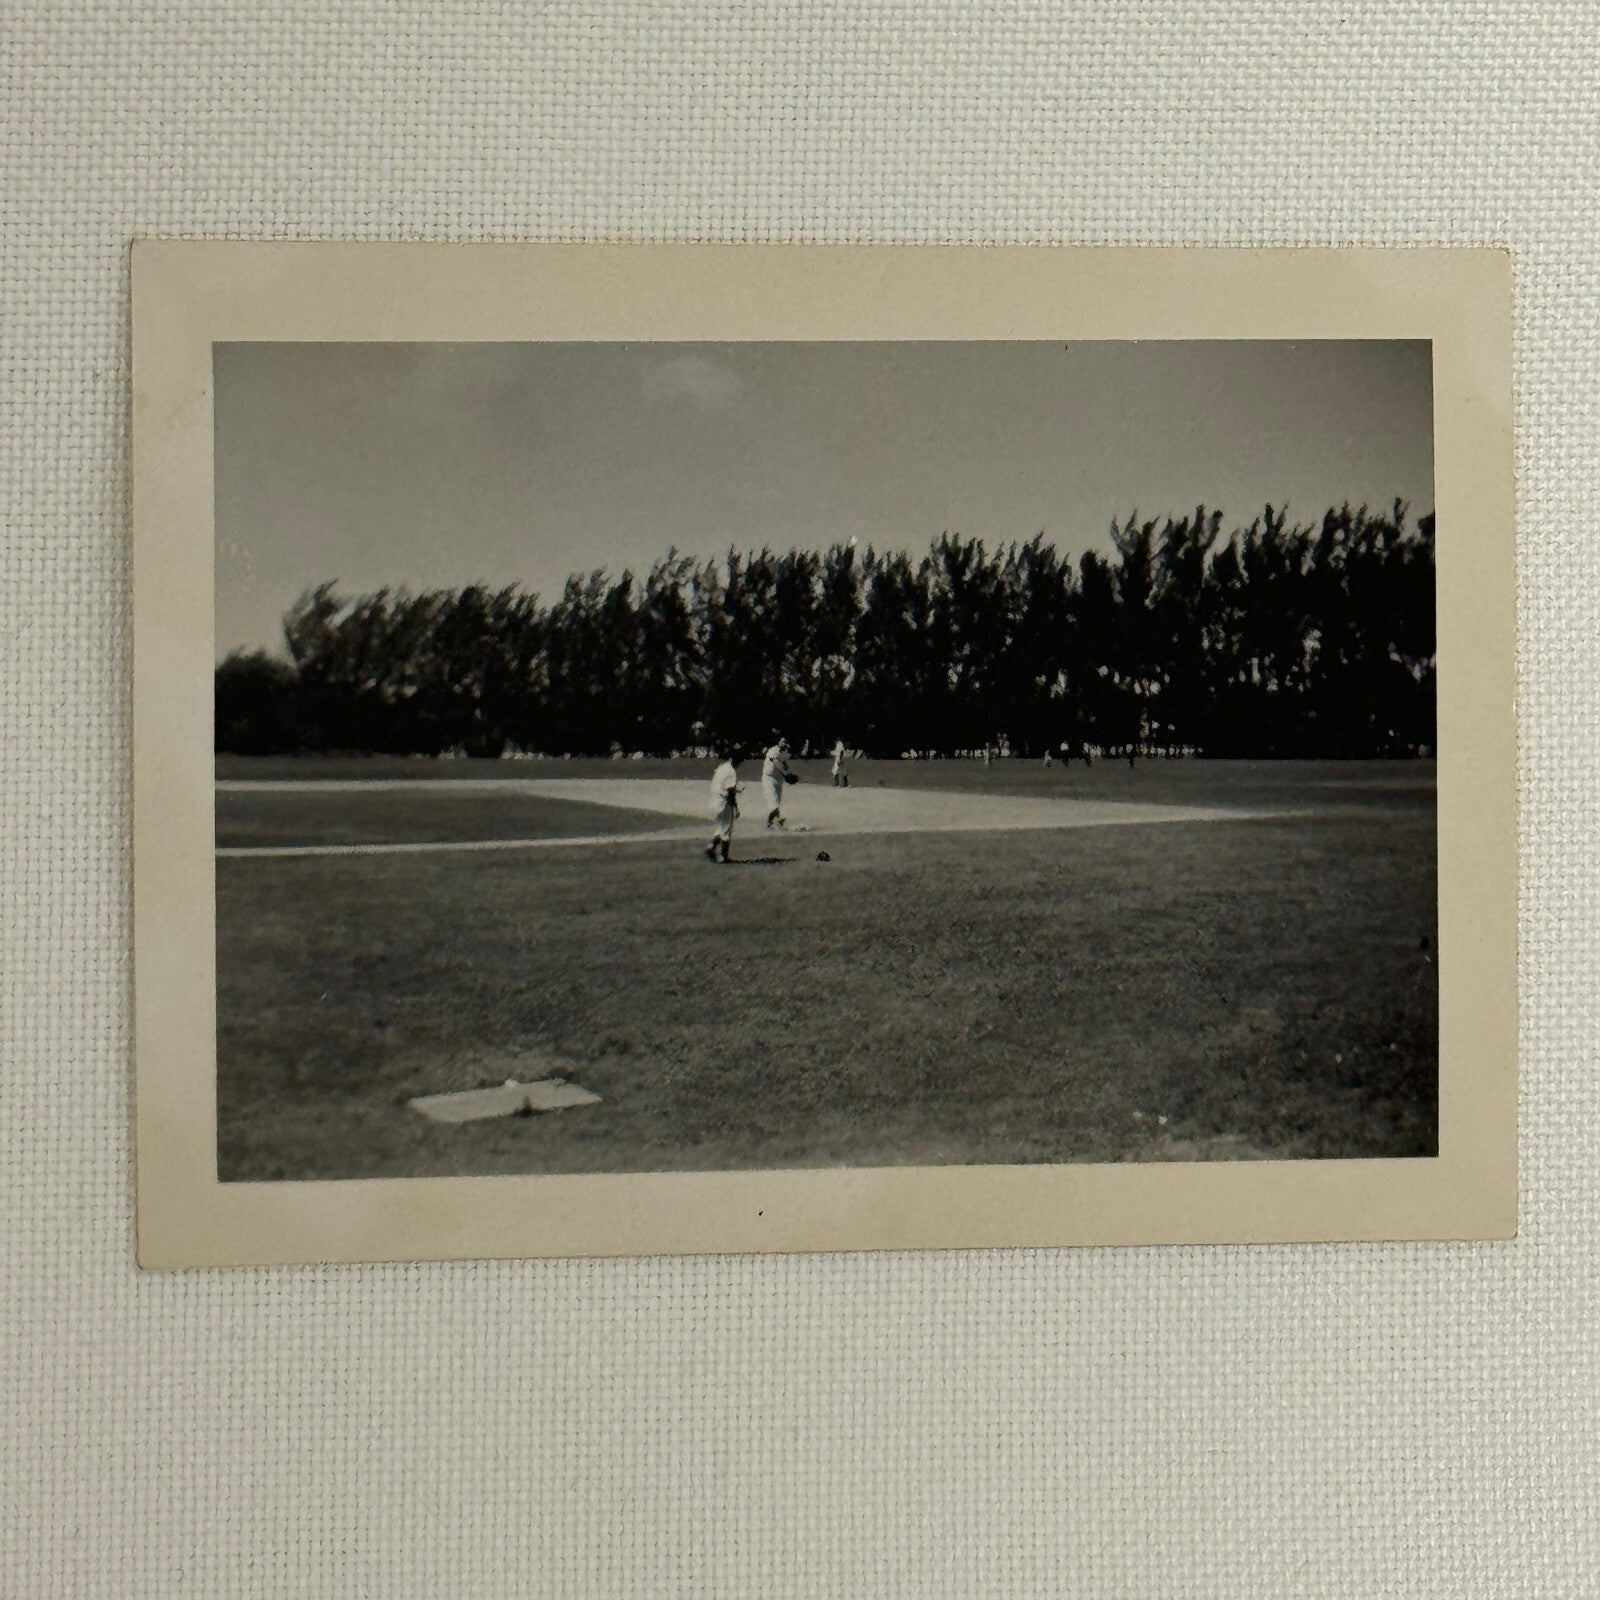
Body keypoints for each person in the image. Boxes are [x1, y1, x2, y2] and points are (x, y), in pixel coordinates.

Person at [705, 751, 741, 863]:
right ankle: (723, 856)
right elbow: (730, 791)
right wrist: (735, 806)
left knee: (720, 828)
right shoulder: (731, 772)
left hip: (714, 801)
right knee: (726, 830)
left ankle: (711, 847)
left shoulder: (721, 768)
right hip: (724, 803)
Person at [761, 737, 793, 829]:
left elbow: (784, 764)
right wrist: (786, 774)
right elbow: (776, 763)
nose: (783, 743)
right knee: (773, 803)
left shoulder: (784, 753)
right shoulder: (773, 750)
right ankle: (772, 821)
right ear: (778, 741)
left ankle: (775, 821)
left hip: (778, 779)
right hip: (769, 778)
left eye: (785, 741)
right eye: (782, 741)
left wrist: (788, 770)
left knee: (777, 802)